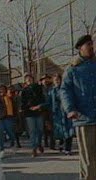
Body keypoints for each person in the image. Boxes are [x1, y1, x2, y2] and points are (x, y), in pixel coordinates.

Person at [60, 34, 96, 179]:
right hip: (84, 118)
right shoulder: (72, 69)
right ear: (80, 48)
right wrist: (70, 109)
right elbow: (65, 90)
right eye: (88, 44)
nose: (91, 47)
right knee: (89, 159)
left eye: (92, 44)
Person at [48, 74, 74, 155]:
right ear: (53, 81)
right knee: (60, 131)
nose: (57, 81)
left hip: (66, 112)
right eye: (55, 79)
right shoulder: (51, 91)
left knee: (69, 130)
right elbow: (49, 103)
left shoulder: (65, 88)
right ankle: (61, 145)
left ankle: (68, 149)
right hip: (57, 114)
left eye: (58, 79)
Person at [21, 74, 45, 157]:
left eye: (30, 79)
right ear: (25, 81)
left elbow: (43, 99)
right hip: (29, 113)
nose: (29, 80)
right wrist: (29, 107)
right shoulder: (24, 91)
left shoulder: (38, 88)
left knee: (40, 130)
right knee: (32, 131)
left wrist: (39, 106)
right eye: (27, 79)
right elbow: (22, 103)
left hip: (38, 111)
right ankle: (34, 148)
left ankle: (38, 143)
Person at [0, 85, 17, 158]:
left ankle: (13, 144)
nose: (1, 91)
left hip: (8, 118)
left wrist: (15, 116)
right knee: (0, 134)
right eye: (0, 89)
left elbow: (14, 107)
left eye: (3, 89)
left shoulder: (9, 98)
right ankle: (1, 149)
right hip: (0, 118)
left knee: (10, 133)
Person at [40, 74, 55, 149]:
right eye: (43, 79)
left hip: (51, 109)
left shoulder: (52, 88)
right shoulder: (39, 89)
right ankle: (45, 141)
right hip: (42, 110)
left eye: (47, 79)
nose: (45, 80)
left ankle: (52, 144)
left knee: (52, 127)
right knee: (44, 126)